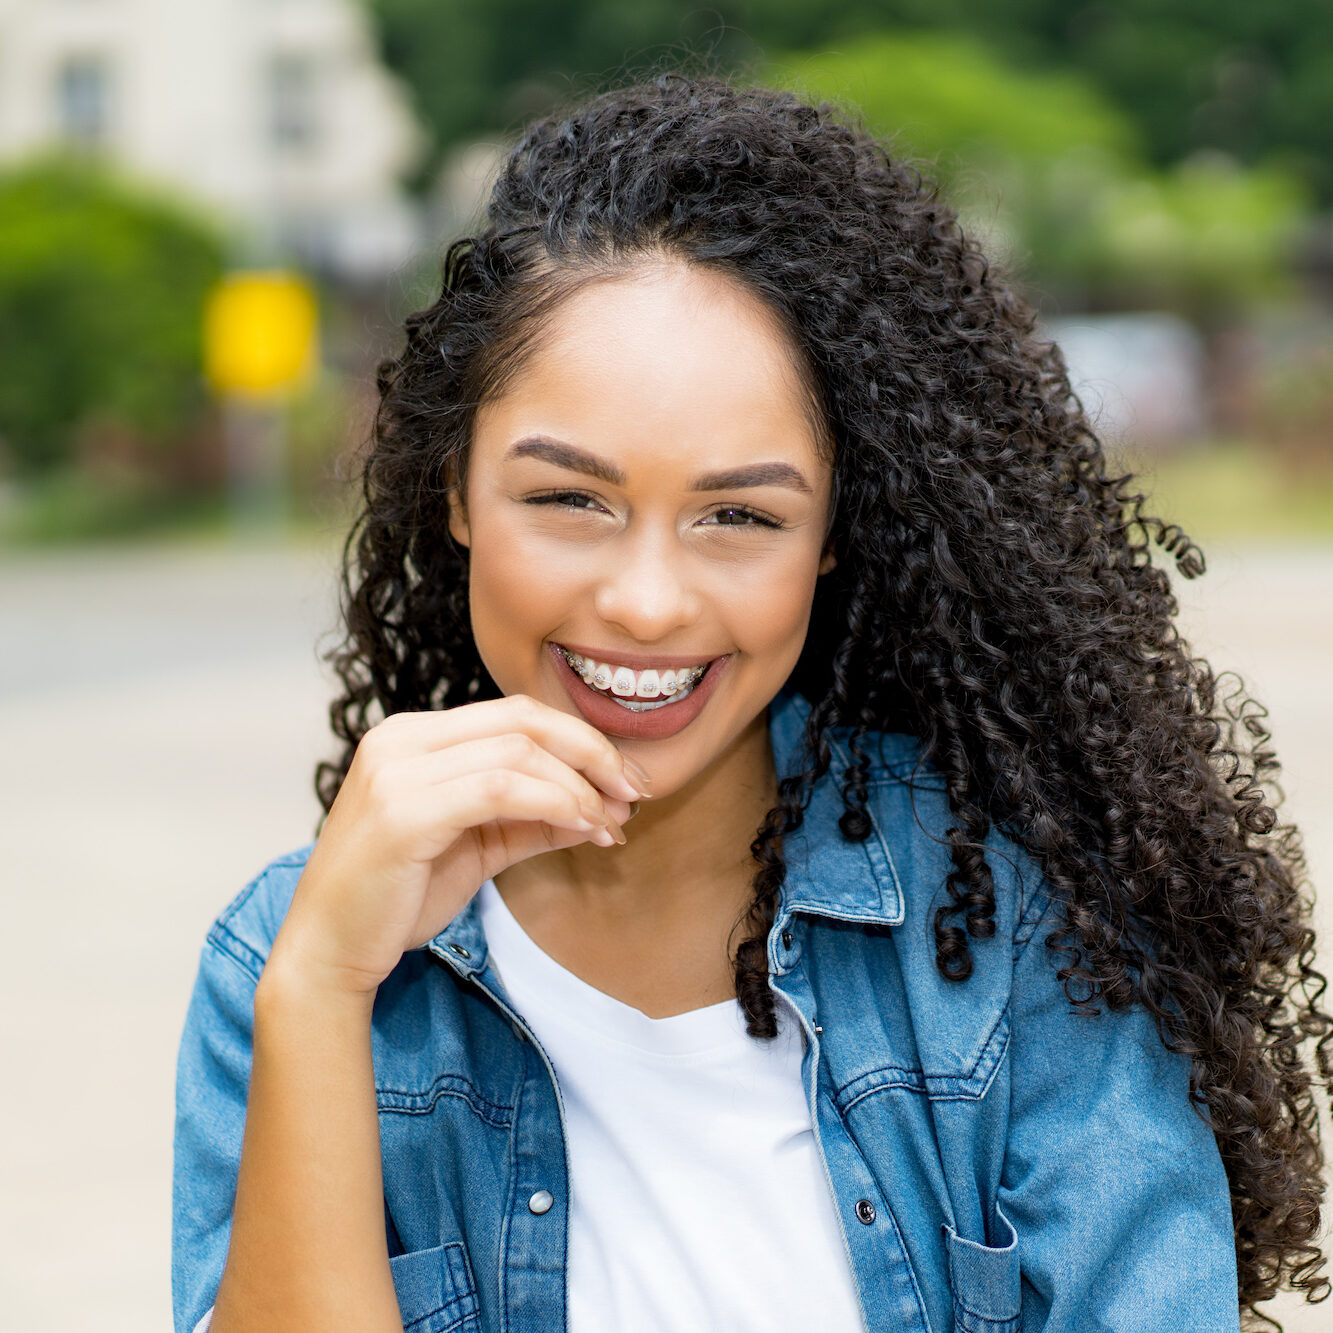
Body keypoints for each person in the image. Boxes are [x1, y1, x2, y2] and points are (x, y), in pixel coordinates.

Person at [172, 75, 1331, 1333]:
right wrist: (323, 988)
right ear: (454, 492)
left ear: (834, 534)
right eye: (569, 498)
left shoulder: (1016, 926)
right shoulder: (288, 959)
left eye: (740, 515)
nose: (650, 602)